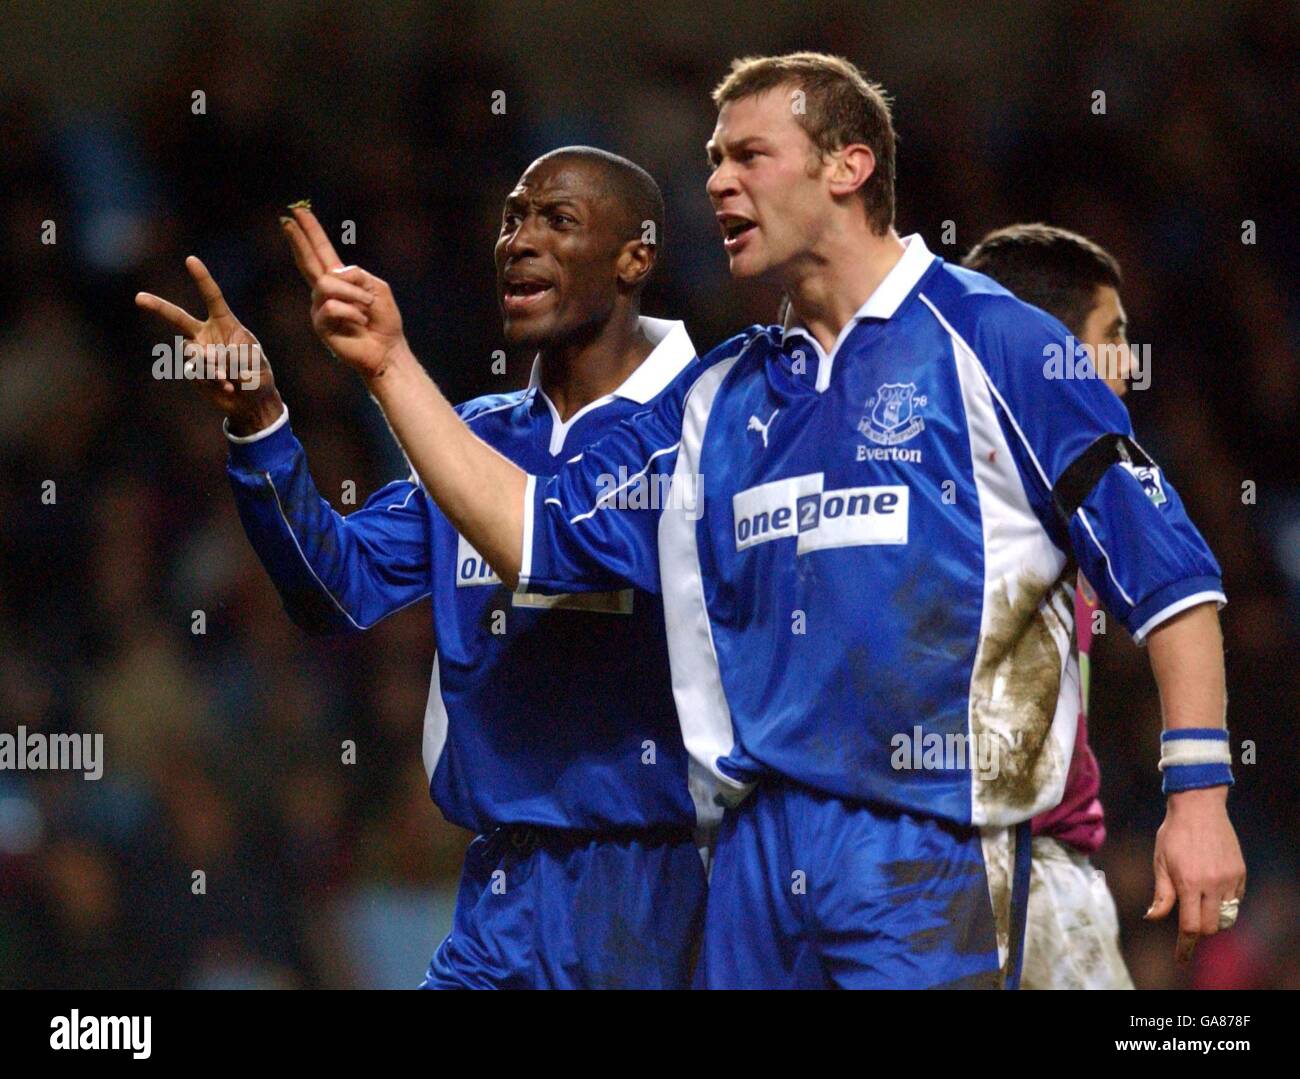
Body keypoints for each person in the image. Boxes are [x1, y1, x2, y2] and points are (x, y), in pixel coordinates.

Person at [273, 53, 1245, 990]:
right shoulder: (721, 398)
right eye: (710, 162)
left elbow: (1170, 581)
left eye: (748, 155)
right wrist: (389, 371)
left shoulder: (996, 343)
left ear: (847, 166)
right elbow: (537, 539)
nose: (718, 184)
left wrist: (1196, 796)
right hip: (748, 852)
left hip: (925, 840)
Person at [136, 147, 714, 989]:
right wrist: (261, 419)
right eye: (513, 216)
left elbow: (548, 545)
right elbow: (336, 587)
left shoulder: (705, 422)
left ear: (637, 256)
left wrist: (388, 367)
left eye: (558, 220)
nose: (519, 240)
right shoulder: (471, 435)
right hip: (501, 900)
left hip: (664, 894)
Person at [962, 222, 1139, 989]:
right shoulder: (978, 484)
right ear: (1050, 349)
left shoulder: (1077, 482)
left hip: (1040, 864)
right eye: (1113, 336)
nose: (1129, 367)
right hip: (1004, 864)